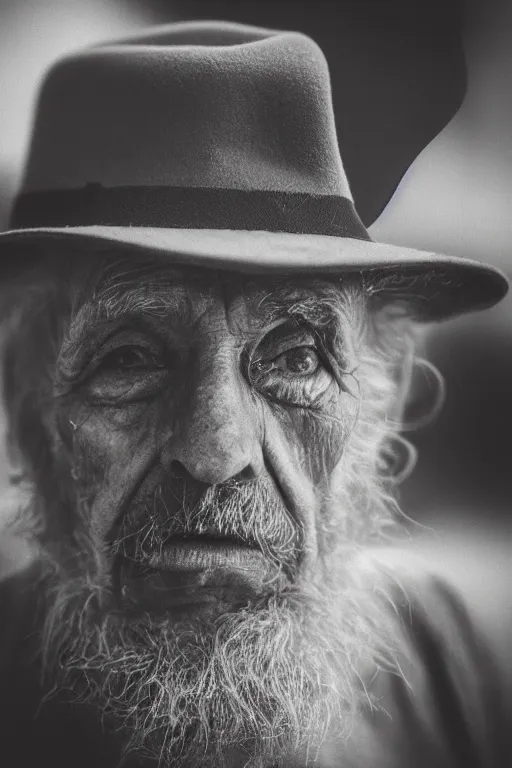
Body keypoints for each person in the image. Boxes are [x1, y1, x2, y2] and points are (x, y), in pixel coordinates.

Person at [0, 20, 509, 768]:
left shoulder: (458, 660)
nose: (216, 452)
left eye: (297, 357)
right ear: (27, 412)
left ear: (382, 402)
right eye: (132, 359)